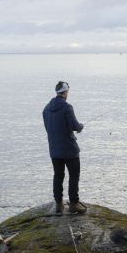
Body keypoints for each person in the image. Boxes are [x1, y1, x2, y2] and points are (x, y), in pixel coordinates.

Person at [42, 81, 86, 214]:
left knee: (58, 175)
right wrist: (81, 127)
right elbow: (75, 126)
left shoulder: (46, 109)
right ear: (65, 92)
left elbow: (48, 128)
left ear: (57, 92)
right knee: (74, 174)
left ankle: (59, 203)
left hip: (54, 149)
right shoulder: (67, 107)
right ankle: (73, 204)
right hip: (69, 148)